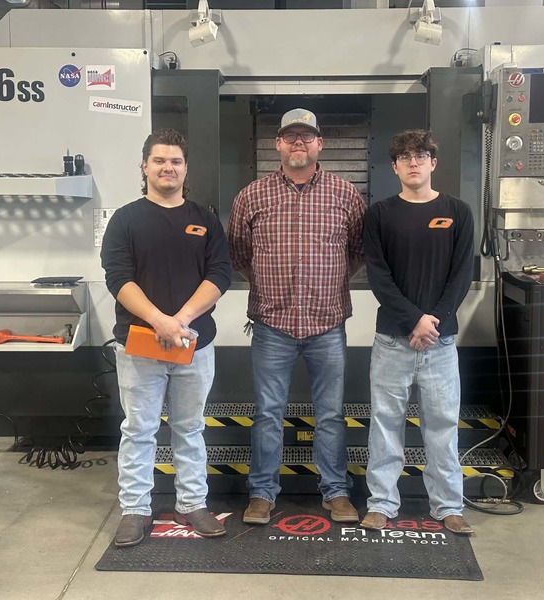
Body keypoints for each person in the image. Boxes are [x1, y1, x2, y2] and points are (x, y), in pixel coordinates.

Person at [228, 108, 366, 525]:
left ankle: (336, 493)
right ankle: (262, 494)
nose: (299, 143)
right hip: (273, 325)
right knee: (268, 411)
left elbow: (358, 251)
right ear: (279, 144)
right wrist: (270, 285)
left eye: (307, 137)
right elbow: (238, 253)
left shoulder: (346, 195)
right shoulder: (252, 196)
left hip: (328, 323)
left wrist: (330, 281)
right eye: (291, 137)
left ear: (320, 143)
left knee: (330, 414)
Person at [101, 129, 232, 547]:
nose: (167, 167)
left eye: (175, 161)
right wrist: (159, 321)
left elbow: (220, 275)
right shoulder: (125, 219)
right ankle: (136, 509)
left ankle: (192, 503)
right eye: (159, 160)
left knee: (190, 427)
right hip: (140, 344)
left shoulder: (204, 219)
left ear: (186, 168)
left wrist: (181, 320)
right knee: (138, 428)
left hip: (195, 343)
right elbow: (118, 278)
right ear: (144, 166)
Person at [361, 129, 475, 535]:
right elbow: (379, 276)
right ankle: (381, 504)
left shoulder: (458, 212)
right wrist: (413, 320)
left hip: (441, 342)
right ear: (394, 167)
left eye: (421, 155)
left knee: (442, 426)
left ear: (433, 162)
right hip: (393, 340)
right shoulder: (379, 215)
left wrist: (434, 320)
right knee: (386, 424)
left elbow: (462, 275)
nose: (414, 162)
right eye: (405, 156)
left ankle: (448, 506)